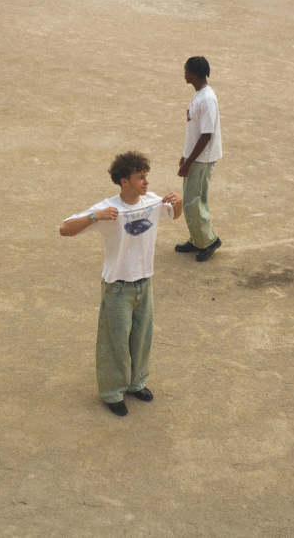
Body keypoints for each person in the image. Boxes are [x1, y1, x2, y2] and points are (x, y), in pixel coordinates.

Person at [59, 151, 182, 417]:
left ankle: (137, 383)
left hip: (145, 283)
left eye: (146, 176)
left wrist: (179, 203)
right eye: (140, 177)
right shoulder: (108, 208)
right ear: (124, 181)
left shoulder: (151, 201)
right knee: (115, 342)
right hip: (117, 288)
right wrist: (96, 217)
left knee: (142, 338)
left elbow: (174, 215)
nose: (146, 182)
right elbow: (65, 229)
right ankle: (112, 392)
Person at [176, 55, 223, 262]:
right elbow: (194, 131)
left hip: (202, 159)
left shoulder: (207, 99)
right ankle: (197, 239)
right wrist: (185, 155)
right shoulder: (199, 95)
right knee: (190, 201)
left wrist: (189, 162)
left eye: (186, 70)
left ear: (194, 74)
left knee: (195, 201)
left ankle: (210, 241)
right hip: (195, 157)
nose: (184, 73)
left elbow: (206, 135)